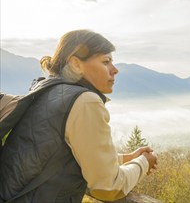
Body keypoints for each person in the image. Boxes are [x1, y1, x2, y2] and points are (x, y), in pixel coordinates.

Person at [0, 30, 158, 202]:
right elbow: (109, 187)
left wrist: (125, 158)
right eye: (106, 61)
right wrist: (144, 162)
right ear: (76, 64)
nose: (115, 69)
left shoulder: (45, 89)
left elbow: (56, 155)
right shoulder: (85, 101)